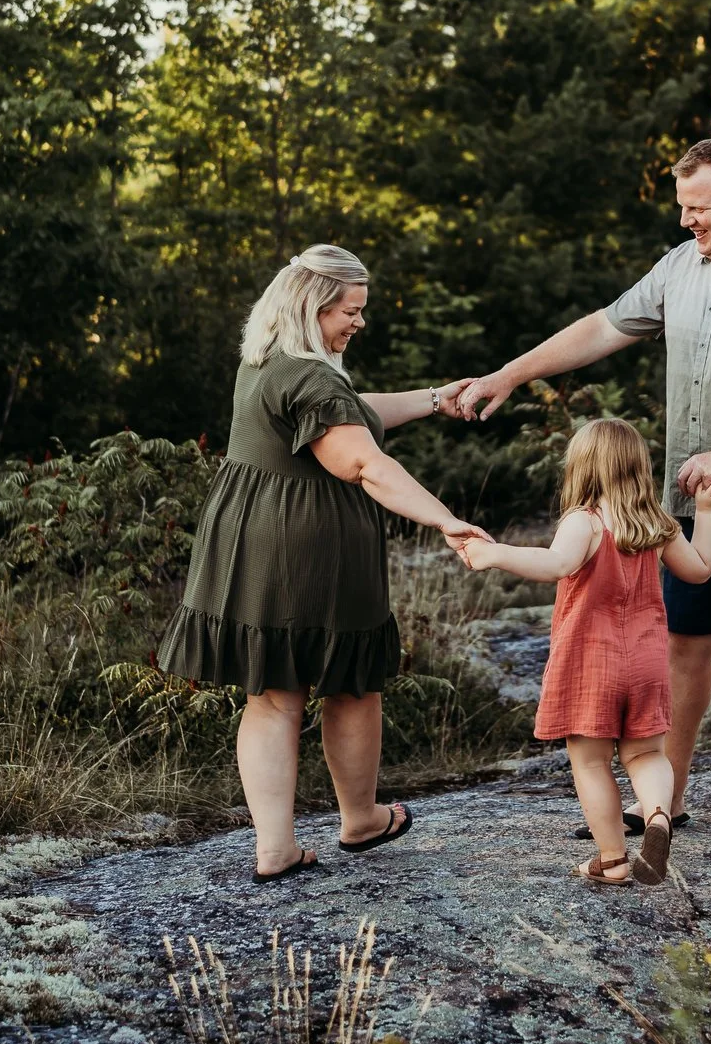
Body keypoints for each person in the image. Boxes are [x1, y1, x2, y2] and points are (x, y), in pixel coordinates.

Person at [452, 138, 711, 871]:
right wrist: (511, 372)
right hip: (689, 502)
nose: (686, 225)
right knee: (683, 645)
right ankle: (663, 799)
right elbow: (605, 326)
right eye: (681, 211)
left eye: (698, 210)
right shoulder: (680, 268)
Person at [158, 244, 486, 883]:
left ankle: (275, 847)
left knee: (274, 694)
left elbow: (350, 414)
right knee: (353, 685)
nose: (359, 323)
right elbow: (363, 461)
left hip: (250, 546)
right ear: (313, 306)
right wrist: (444, 518)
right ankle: (360, 819)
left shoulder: (269, 363)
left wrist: (433, 397)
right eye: (350, 311)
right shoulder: (309, 376)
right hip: (313, 551)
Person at [456, 419, 711, 886]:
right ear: (638, 468)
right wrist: (707, 511)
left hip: (591, 662)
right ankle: (658, 815)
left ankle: (613, 859)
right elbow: (700, 571)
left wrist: (495, 555)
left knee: (591, 761)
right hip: (647, 660)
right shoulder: (655, 522)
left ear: (582, 468)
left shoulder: (584, 520)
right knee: (646, 755)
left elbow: (557, 564)